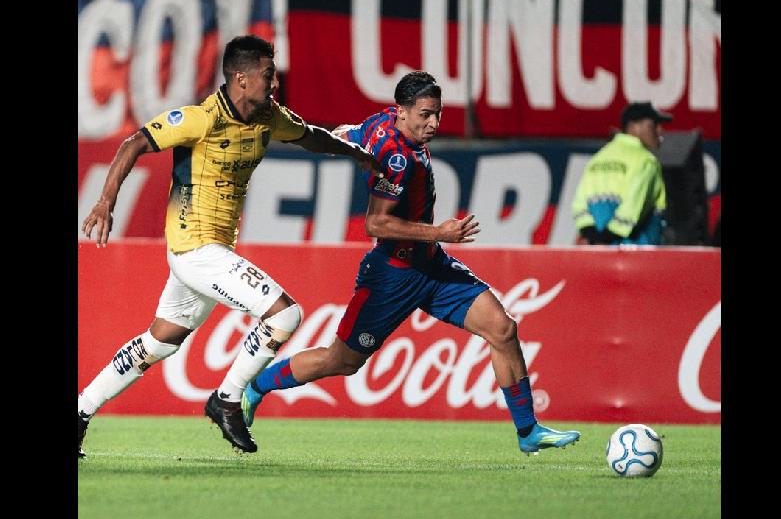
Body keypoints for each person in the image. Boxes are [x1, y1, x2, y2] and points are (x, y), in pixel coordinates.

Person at [239, 71, 581, 456]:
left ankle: (528, 430)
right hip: (392, 275)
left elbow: (346, 132)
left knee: (502, 329)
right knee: (342, 361)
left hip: (431, 268)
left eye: (437, 114)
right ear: (402, 112)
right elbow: (376, 223)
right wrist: (442, 233)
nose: (433, 123)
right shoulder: (397, 159)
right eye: (425, 114)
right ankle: (256, 386)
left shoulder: (382, 122)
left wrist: (348, 146)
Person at [78, 35, 382, 457]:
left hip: (209, 251)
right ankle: (227, 399)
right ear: (241, 77)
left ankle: (80, 411)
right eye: (267, 75)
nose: (273, 83)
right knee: (285, 314)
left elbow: (310, 136)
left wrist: (354, 153)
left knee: (161, 341)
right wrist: (105, 202)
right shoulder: (199, 118)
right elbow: (133, 144)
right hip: (195, 248)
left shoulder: (266, 116)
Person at [571, 101, 671, 245]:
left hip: (599, 253)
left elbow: (579, 204)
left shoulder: (597, 160)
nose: (660, 130)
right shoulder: (646, 161)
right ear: (633, 127)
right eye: (653, 125)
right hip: (638, 253)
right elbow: (634, 206)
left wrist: (594, 237)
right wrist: (608, 238)